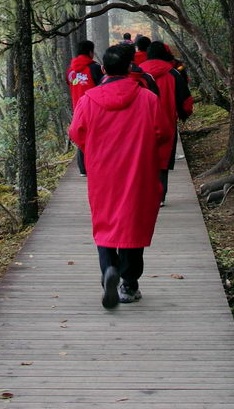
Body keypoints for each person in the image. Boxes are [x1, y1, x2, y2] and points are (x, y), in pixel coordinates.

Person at [69, 45, 171, 308]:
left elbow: (76, 132)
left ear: (103, 69)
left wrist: (94, 150)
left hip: (102, 172)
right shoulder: (147, 99)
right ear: (130, 68)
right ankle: (129, 283)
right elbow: (163, 133)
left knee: (105, 222)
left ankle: (108, 270)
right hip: (138, 170)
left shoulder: (88, 99)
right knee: (133, 223)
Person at [140, 41, 194, 203]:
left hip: (141, 123)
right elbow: (185, 101)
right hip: (167, 122)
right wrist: (184, 114)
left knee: (142, 157)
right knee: (163, 160)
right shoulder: (173, 73)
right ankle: (160, 196)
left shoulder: (138, 72)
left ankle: (143, 193)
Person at [66, 40, 103, 174]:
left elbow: (69, 84)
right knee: (94, 137)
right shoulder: (95, 68)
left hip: (77, 108)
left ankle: (83, 168)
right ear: (90, 52)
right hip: (94, 108)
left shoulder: (70, 70)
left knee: (81, 136)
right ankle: (94, 166)